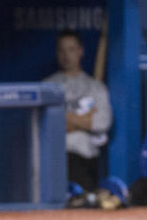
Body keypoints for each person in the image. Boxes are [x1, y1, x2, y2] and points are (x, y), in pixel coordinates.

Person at [43, 29, 113, 192]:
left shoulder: (95, 87)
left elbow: (102, 123)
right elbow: (45, 125)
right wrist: (83, 119)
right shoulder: (47, 86)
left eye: (72, 49)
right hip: (53, 158)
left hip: (85, 158)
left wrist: (62, 118)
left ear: (81, 51)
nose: (67, 55)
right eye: (62, 50)